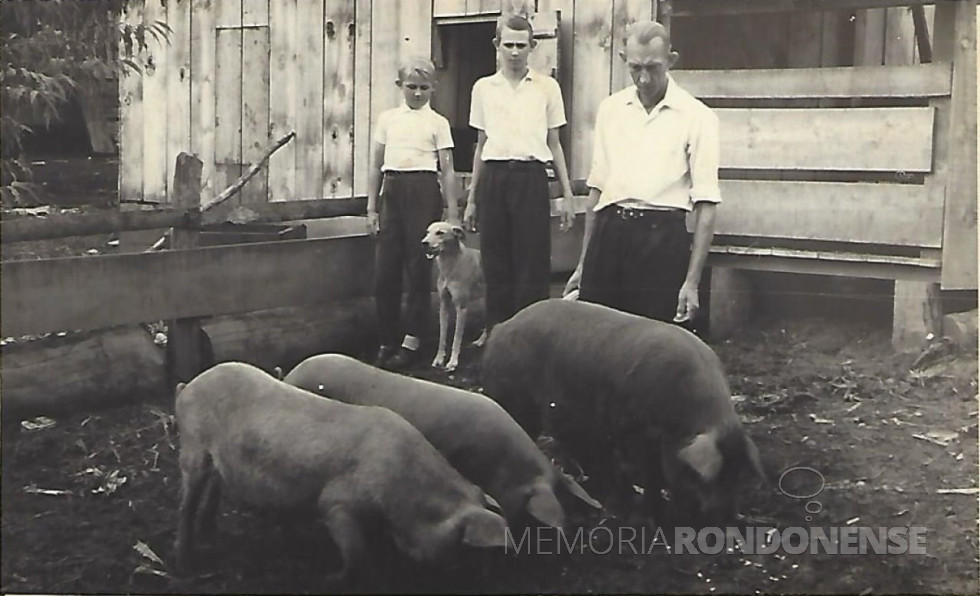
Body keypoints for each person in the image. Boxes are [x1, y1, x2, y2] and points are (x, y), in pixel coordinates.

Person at [564, 20, 720, 327]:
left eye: (653, 67)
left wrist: (692, 282)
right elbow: (597, 191)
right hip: (609, 236)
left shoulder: (698, 117)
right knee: (598, 335)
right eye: (635, 68)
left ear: (671, 61)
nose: (644, 79)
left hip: (661, 241)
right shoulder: (611, 109)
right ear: (624, 59)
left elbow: (707, 206)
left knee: (650, 339)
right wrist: (583, 265)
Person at [464, 14, 576, 335]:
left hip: (531, 179)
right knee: (496, 262)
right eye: (508, 45)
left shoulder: (547, 88)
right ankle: (498, 337)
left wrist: (567, 194)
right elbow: (481, 146)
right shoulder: (483, 88)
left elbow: (554, 144)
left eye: (521, 46)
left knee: (532, 262)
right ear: (497, 45)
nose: (514, 52)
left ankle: (532, 338)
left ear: (532, 47)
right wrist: (472, 199)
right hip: (495, 179)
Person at [367, 56, 459, 369]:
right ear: (400, 86)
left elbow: (447, 170)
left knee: (419, 268)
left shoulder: (438, 123)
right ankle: (387, 340)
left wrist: (453, 212)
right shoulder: (388, 119)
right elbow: (376, 165)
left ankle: (412, 340)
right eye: (411, 87)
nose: (417, 93)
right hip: (392, 191)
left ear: (433, 88)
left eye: (424, 87)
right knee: (385, 272)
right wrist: (371, 207)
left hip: (423, 191)